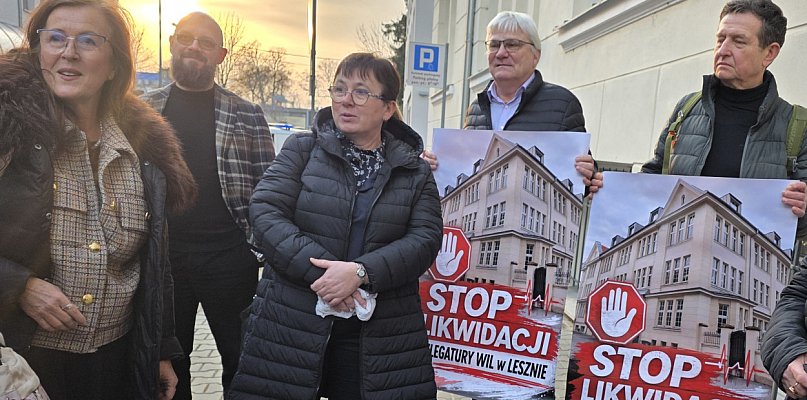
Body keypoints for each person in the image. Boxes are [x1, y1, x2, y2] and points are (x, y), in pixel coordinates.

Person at [0, 0, 197, 399]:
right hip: (26, 364)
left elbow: (156, 266)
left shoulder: (144, 151)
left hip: (118, 360)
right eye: (55, 38)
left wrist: (161, 351)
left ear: (114, 66)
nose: (68, 52)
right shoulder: (10, 131)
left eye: (88, 40)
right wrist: (18, 285)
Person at [228, 52, 443, 400]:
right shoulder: (303, 149)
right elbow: (266, 210)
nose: (346, 100)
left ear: (387, 108)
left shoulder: (413, 170)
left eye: (361, 92)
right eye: (340, 89)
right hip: (293, 320)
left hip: (380, 332)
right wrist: (324, 277)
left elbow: (425, 239)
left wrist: (360, 272)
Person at [142, 12, 275, 399]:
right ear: (171, 43)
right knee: (170, 362)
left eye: (205, 42)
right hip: (164, 260)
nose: (194, 47)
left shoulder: (247, 113)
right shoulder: (142, 110)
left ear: (220, 54)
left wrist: (258, 248)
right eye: (186, 38)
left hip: (230, 258)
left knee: (241, 359)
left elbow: (268, 187)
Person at [641, 0, 805, 221]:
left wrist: (803, 207)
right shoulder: (686, 109)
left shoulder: (798, 126)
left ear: (769, 53)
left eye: (738, 41)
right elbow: (652, 178)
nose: (723, 50)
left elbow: (799, 223)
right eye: (720, 39)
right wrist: (605, 188)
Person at [462, 10, 603, 194]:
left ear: (535, 56)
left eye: (512, 44)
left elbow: (582, 180)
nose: (501, 53)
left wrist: (589, 175)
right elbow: (467, 167)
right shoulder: (476, 108)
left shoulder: (562, 104)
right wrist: (435, 165)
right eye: (494, 45)